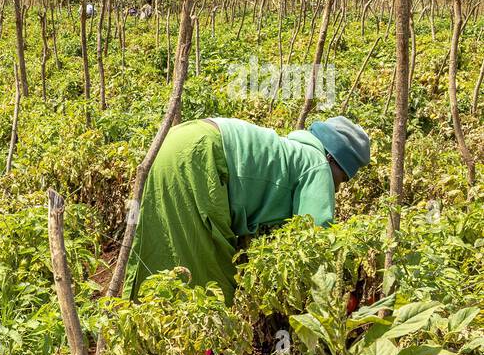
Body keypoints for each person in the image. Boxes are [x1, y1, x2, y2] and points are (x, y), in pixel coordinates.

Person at [126, 115, 371, 306]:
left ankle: (145, 347)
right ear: (334, 160)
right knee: (208, 281)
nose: (338, 188)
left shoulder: (294, 150)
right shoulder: (317, 164)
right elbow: (317, 240)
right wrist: (332, 298)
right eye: (342, 179)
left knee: (159, 248)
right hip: (201, 157)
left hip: (179, 141)